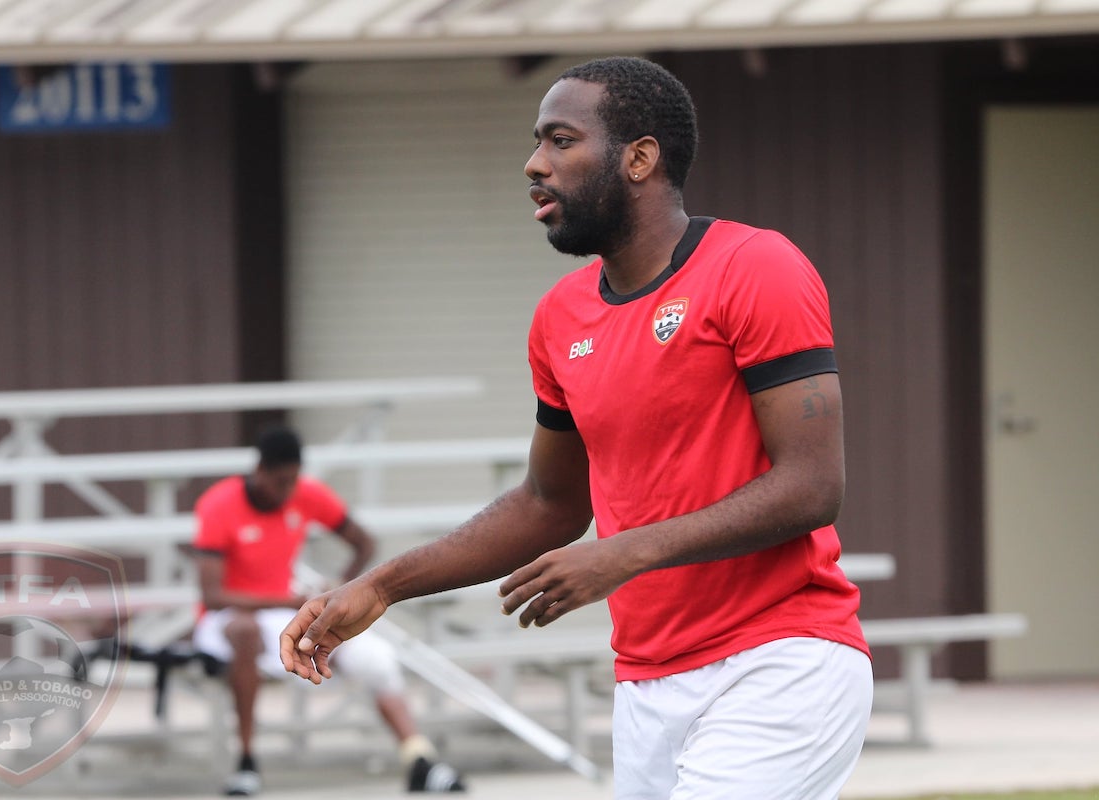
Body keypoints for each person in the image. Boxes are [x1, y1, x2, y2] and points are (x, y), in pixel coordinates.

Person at [281, 56, 873, 799]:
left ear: (640, 158)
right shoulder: (561, 317)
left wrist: (622, 554)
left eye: (561, 141)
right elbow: (550, 503)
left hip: (782, 660)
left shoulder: (755, 268)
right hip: (647, 685)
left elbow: (813, 486)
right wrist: (380, 588)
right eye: (537, 142)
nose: (535, 164)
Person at [191, 425, 466, 795]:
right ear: (260, 471)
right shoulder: (219, 503)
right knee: (245, 632)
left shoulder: (306, 494)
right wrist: (289, 601)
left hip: (284, 610)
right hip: (228, 618)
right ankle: (246, 759)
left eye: (293, 481)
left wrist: (341, 589)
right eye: (279, 481)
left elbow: (363, 542)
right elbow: (213, 596)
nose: (287, 491)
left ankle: (418, 758)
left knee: (374, 655)